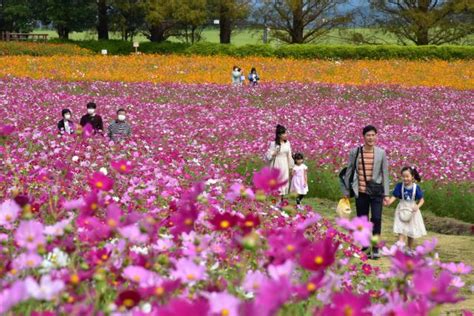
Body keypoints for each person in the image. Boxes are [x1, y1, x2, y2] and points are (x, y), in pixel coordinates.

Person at [341, 125, 390, 260]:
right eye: (368, 135)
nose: (371, 138)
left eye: (373, 135)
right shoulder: (355, 152)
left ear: (376, 136)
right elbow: (349, 171)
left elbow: (385, 173)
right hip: (361, 192)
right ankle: (365, 247)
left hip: (376, 192)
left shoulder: (381, 153)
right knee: (363, 221)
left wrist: (386, 194)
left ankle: (375, 248)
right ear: (363, 137)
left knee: (377, 218)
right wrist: (346, 190)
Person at [387, 167, 426, 251]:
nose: (405, 178)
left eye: (407, 176)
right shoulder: (399, 186)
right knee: (401, 228)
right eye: (403, 176)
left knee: (411, 231)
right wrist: (389, 202)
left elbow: (422, 200)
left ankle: (409, 248)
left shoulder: (416, 188)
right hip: (401, 209)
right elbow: (394, 196)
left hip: (412, 210)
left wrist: (417, 206)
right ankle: (400, 246)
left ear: (412, 176)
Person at [265, 124, 294, 202]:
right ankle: (274, 203)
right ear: (279, 135)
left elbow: (289, 156)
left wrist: (291, 167)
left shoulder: (287, 143)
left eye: (286, 133)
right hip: (276, 164)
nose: (286, 135)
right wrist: (273, 153)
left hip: (284, 164)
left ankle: (281, 202)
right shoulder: (273, 144)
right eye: (284, 133)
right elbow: (267, 156)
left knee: (283, 182)